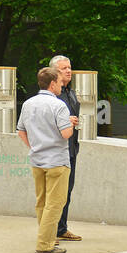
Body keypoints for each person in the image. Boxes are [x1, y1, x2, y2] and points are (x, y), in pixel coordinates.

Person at [17, 66, 75, 253]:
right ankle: (44, 244)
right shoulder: (59, 106)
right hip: (57, 161)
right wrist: (71, 123)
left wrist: (35, 146)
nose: (61, 86)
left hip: (37, 160)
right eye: (59, 82)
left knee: (41, 202)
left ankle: (49, 238)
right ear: (52, 84)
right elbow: (66, 133)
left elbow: (21, 131)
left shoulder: (28, 104)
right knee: (55, 204)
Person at [49, 54, 82, 241]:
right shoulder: (51, 95)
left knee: (67, 191)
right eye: (64, 68)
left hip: (71, 149)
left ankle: (61, 228)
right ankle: (50, 230)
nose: (68, 71)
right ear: (54, 72)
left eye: (69, 67)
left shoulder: (70, 92)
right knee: (55, 194)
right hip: (56, 151)